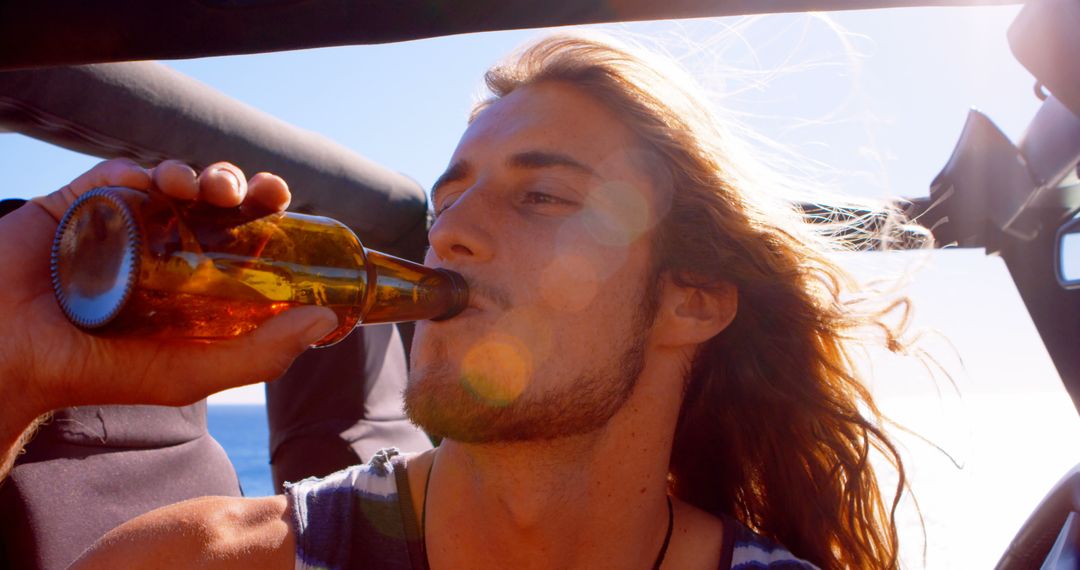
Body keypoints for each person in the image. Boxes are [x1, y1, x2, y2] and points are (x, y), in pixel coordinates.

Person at [1, 33, 917, 568]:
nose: (448, 236)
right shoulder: (201, 561)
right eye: (448, 201)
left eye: (544, 196)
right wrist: (13, 372)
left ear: (693, 301)